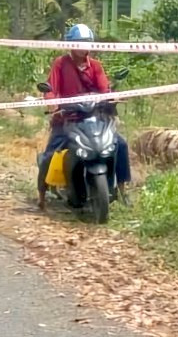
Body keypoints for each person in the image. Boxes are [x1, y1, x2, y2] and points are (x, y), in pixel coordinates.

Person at [37, 23, 132, 210]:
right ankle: (41, 194)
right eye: (79, 42)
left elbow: (105, 88)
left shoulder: (96, 66)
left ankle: (122, 189)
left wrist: (112, 97)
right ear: (71, 45)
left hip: (93, 118)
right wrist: (53, 103)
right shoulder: (60, 64)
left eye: (87, 42)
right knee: (50, 154)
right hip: (67, 118)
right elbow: (50, 90)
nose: (84, 46)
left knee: (120, 144)